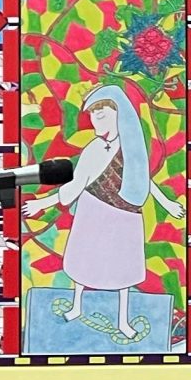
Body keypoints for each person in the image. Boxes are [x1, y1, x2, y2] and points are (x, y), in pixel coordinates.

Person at [52, 84, 154, 343]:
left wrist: (168, 203)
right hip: (94, 209)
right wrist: (45, 202)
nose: (96, 123)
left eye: (102, 116)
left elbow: (143, 177)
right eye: (94, 117)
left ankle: (123, 321)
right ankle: (76, 306)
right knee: (83, 259)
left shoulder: (131, 146)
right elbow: (78, 183)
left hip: (126, 215)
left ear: (119, 114)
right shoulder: (95, 149)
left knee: (124, 268)